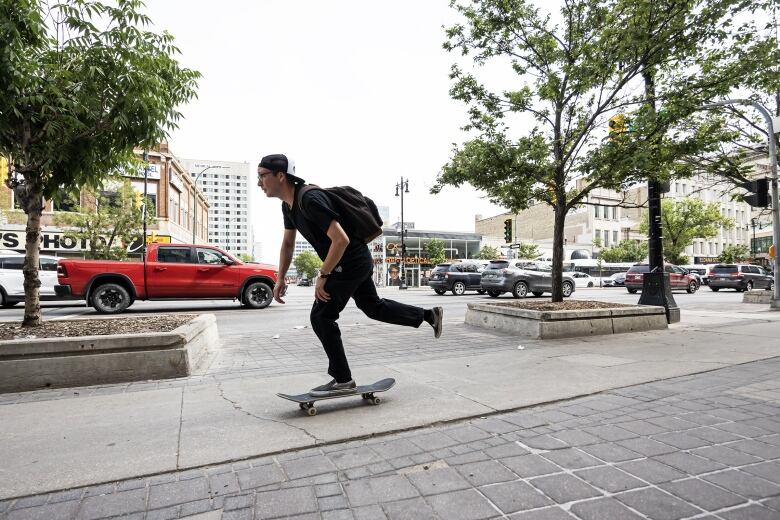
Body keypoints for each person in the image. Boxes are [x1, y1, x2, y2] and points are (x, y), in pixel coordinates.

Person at [258, 154, 443, 397]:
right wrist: (280, 278)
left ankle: (342, 379)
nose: (259, 183)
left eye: (262, 176)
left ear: (280, 176)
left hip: (349, 261)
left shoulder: (310, 199)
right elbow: (288, 244)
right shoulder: (288, 206)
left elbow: (340, 239)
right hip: (352, 261)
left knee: (321, 316)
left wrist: (323, 275)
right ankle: (429, 315)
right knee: (373, 307)